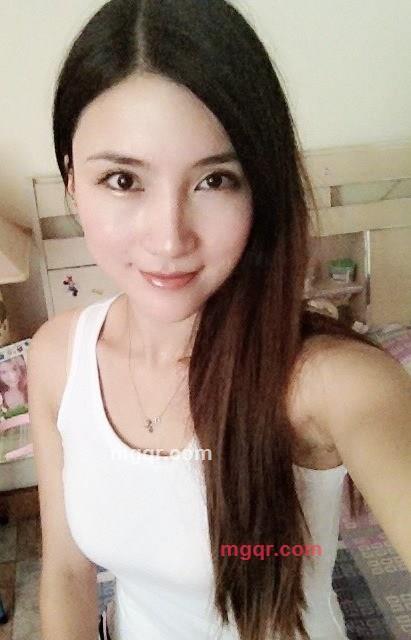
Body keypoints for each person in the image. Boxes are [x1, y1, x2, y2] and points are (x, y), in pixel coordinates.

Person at [27, 1, 411, 639]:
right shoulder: (57, 358)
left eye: (215, 180)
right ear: (72, 182)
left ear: (261, 189)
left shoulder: (329, 381)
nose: (169, 239)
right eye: (122, 179)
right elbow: (67, 573)